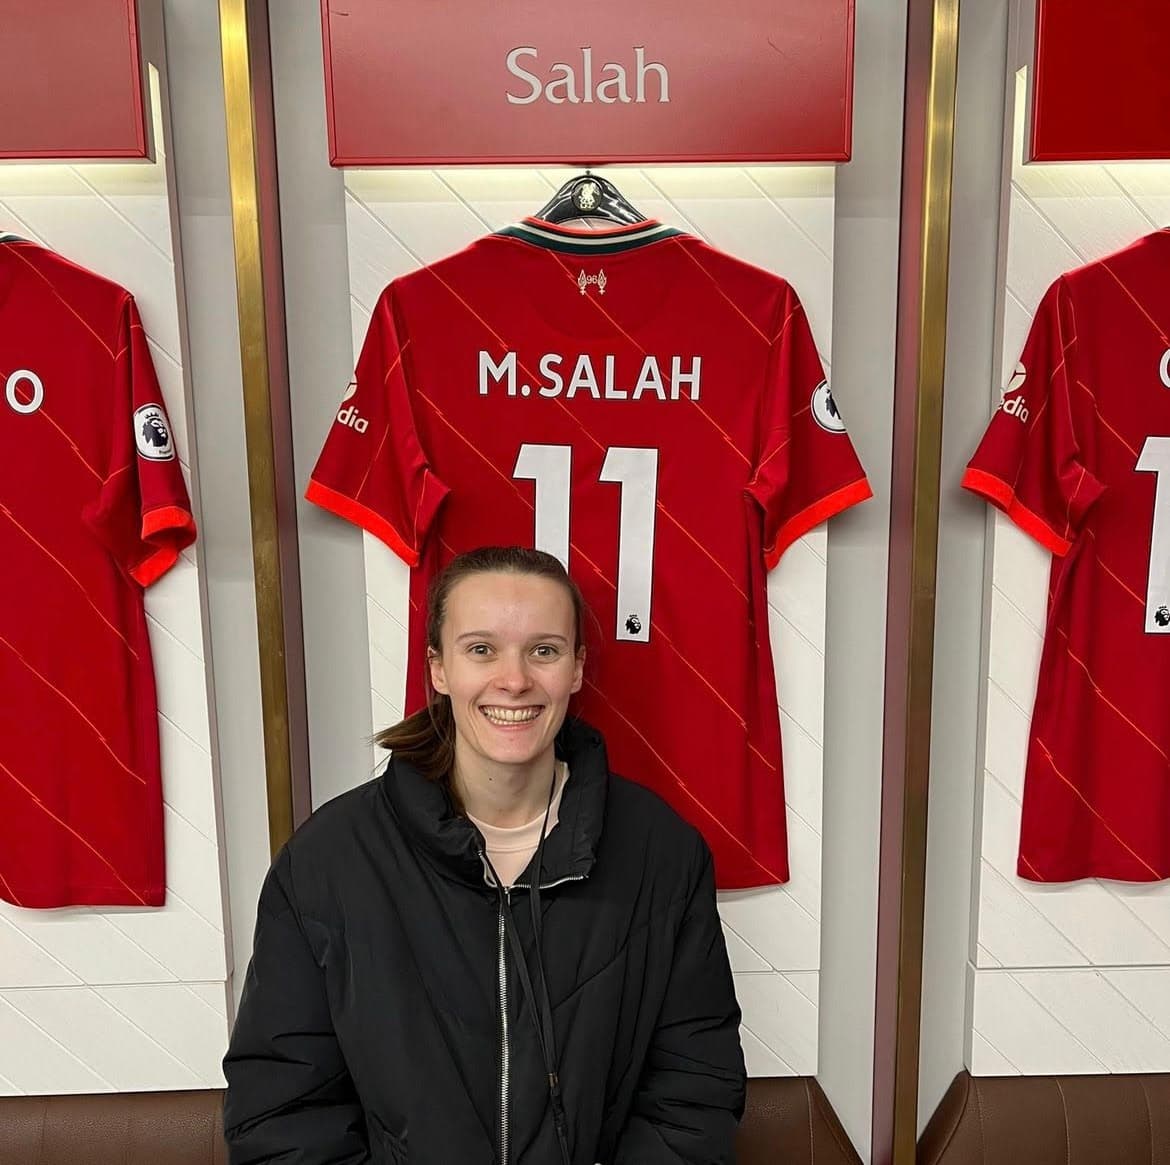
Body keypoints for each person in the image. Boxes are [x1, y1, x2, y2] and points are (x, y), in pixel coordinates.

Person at [222, 545, 746, 1164]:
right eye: (481, 650)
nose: (515, 679)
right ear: (438, 669)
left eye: (544, 651)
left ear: (576, 669)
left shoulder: (661, 853)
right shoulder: (329, 861)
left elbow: (694, 1094)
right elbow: (283, 1113)